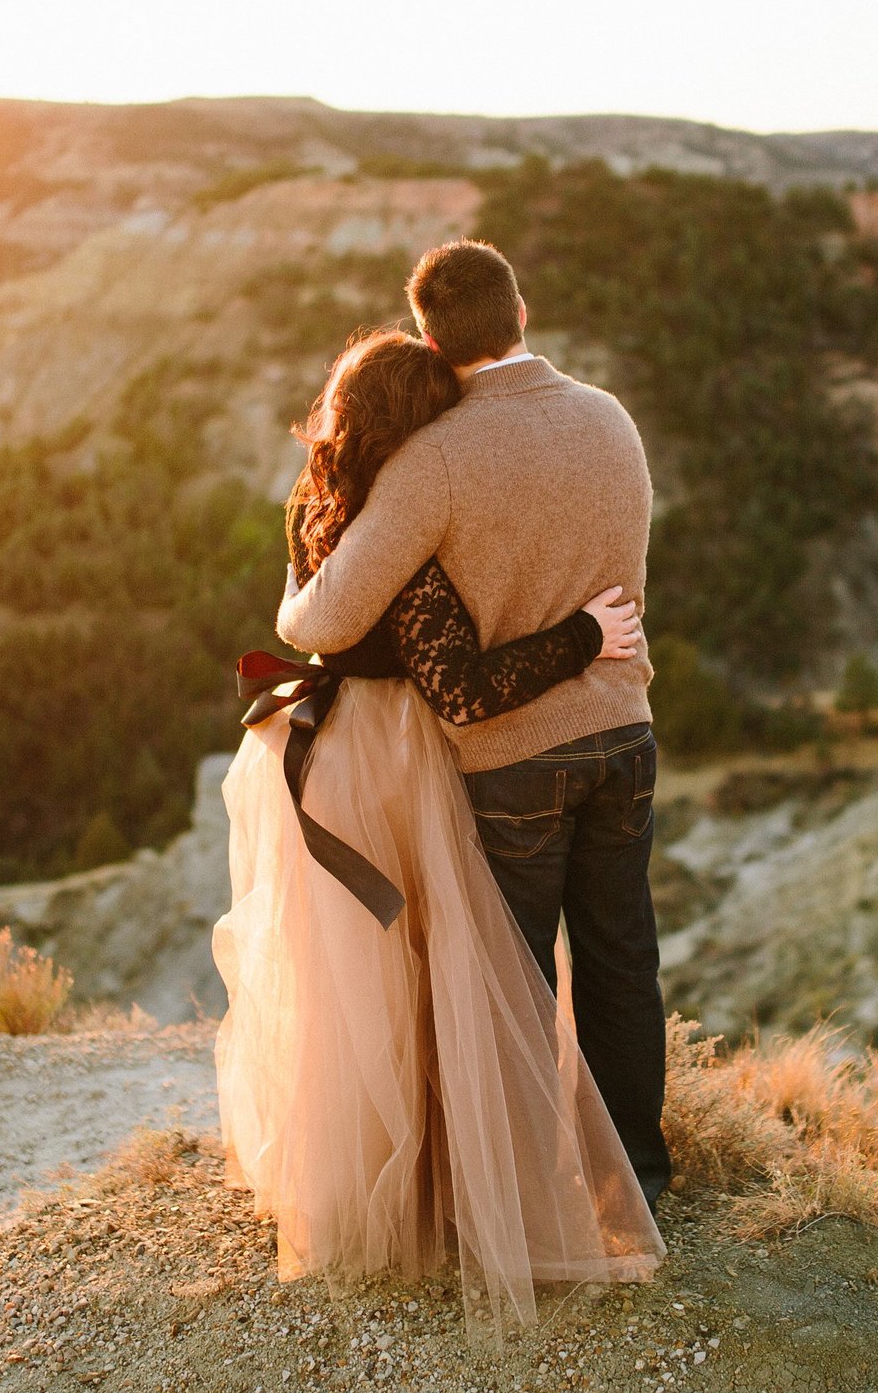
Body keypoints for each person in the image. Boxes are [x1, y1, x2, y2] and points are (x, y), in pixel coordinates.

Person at [213, 327, 662, 1329]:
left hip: (324, 761)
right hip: (396, 762)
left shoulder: (317, 509)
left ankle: (380, 1190)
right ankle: (496, 1198)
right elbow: (458, 689)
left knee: (358, 991)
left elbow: (306, 619)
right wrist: (587, 635)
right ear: (416, 432)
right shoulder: (409, 542)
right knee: (462, 977)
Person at [276, 241, 671, 1217]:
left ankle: (529, 1200)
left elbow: (326, 620)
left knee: (512, 986)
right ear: (521, 313)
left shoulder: (434, 459)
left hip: (512, 756)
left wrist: (291, 600)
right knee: (624, 963)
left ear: (430, 339)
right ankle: (642, 1189)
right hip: (625, 733)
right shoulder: (612, 419)